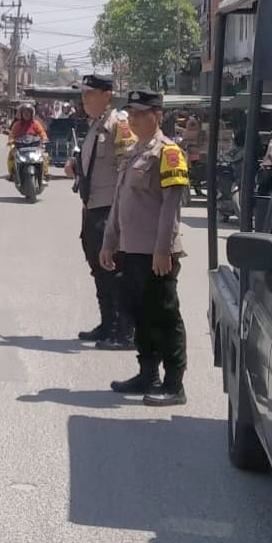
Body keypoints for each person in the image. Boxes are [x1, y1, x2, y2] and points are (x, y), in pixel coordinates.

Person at [101, 89, 189, 406]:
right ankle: (147, 374)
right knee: (140, 315)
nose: (134, 119)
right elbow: (119, 202)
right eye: (132, 114)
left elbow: (171, 207)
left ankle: (174, 384)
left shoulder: (168, 153)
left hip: (156, 254)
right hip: (132, 251)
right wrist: (110, 241)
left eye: (140, 114)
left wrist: (163, 249)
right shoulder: (133, 152)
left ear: (156, 115)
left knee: (164, 317)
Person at [65, 74, 136, 350]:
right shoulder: (96, 125)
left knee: (113, 269)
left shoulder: (118, 123)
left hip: (109, 208)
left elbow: (126, 167)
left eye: (89, 94)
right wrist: (75, 166)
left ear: (107, 95)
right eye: (83, 94)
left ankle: (123, 330)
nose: (84, 99)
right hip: (92, 205)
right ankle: (107, 324)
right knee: (98, 268)